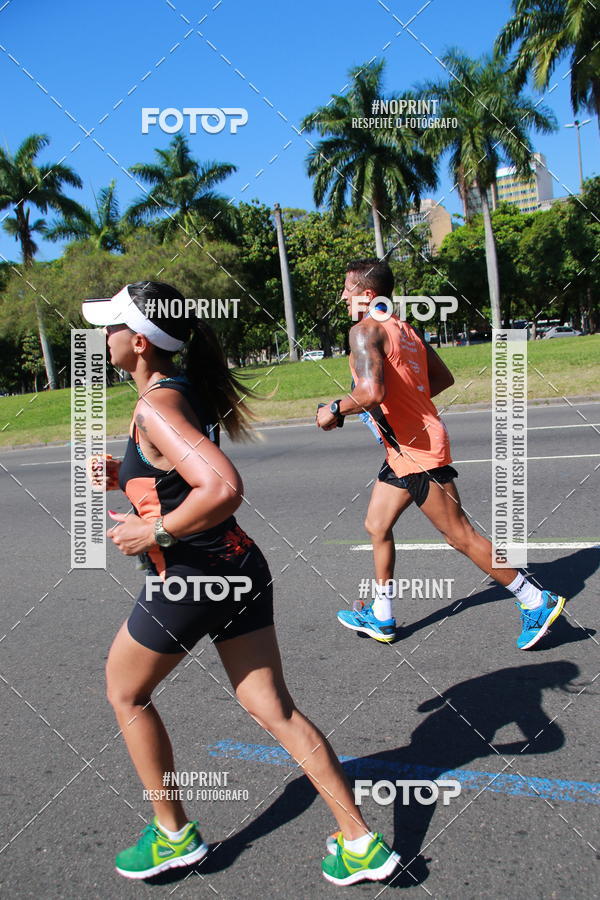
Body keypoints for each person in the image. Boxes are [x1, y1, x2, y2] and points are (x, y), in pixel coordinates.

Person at [81, 281, 399, 887]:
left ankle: (172, 834)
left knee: (126, 693)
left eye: (113, 326)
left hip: (192, 580)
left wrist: (156, 535)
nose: (105, 338)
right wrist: (126, 472)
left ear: (141, 342)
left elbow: (222, 487)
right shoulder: (174, 392)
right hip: (239, 570)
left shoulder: (155, 405)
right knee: (272, 706)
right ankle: (359, 842)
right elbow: (179, 470)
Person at [316, 259, 565, 650]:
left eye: (348, 290)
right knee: (376, 525)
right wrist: (408, 404)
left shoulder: (364, 330)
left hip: (417, 451)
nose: (343, 297)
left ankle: (535, 599)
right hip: (403, 448)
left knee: (459, 535)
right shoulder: (406, 331)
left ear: (367, 295)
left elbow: (370, 393)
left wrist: (332, 409)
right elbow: (442, 379)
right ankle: (382, 616)